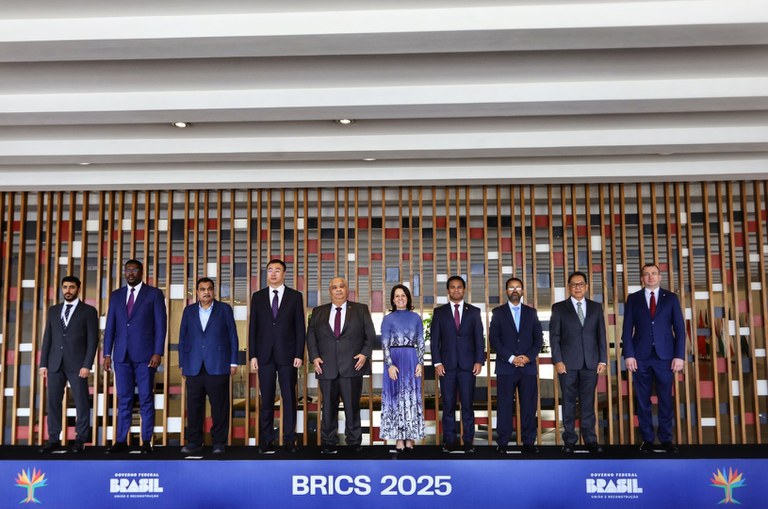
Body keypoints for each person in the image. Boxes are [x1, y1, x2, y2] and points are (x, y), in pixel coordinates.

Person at [103, 259, 167, 454]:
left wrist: (158, 352)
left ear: (141, 272)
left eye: (134, 270)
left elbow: (160, 326)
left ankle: (146, 441)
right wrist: (107, 353)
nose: (130, 273)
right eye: (127, 270)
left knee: (146, 398)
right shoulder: (116, 296)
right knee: (124, 398)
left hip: (146, 356)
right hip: (121, 356)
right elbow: (110, 327)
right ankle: (121, 440)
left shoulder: (154, 294)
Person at [306, 277, 375, 454]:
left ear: (347, 289)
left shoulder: (360, 309)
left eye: (341, 286)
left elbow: (370, 334)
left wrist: (365, 354)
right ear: (329, 291)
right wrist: (314, 357)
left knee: (352, 407)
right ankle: (329, 442)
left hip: (352, 366)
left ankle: (354, 442)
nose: (338, 290)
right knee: (328, 408)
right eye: (334, 287)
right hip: (326, 366)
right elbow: (311, 336)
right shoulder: (318, 311)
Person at [622, 263, 686, 453]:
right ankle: (647, 439)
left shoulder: (671, 298)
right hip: (640, 357)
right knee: (643, 401)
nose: (650, 277)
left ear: (660, 277)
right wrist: (629, 354)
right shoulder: (633, 299)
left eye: (654, 273)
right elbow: (627, 329)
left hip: (665, 357)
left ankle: (666, 439)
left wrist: (679, 356)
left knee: (665, 399)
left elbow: (680, 330)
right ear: (642, 278)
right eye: (646, 274)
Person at [249, 259, 305, 453]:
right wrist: (253, 355)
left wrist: (299, 353)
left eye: (277, 270)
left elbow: (300, 327)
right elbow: (253, 327)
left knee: (289, 398)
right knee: (267, 399)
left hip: (288, 355)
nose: (273, 274)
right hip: (264, 355)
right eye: (270, 270)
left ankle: (290, 439)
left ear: (284, 274)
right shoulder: (258, 297)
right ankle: (266, 439)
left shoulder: (295, 296)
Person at [38, 276, 99, 454]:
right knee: (53, 402)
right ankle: (53, 439)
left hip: (78, 365)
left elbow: (93, 341)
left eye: (71, 287)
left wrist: (87, 364)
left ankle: (80, 440)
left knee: (81, 402)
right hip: (54, 364)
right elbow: (47, 338)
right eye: (65, 287)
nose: (68, 290)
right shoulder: (53, 310)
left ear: (78, 288)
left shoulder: (88, 311)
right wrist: (43, 364)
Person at [179, 277, 239, 455]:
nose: (206, 292)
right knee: (194, 406)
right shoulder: (188, 311)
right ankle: (194, 442)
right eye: (202, 289)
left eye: (209, 289)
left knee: (219, 407)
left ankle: (219, 442)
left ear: (214, 291)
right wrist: (182, 363)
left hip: (219, 364)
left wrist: (233, 361)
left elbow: (233, 336)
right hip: (193, 365)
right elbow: (183, 338)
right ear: (197, 292)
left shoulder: (224, 309)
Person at [549, 271, 607, 453]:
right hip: (567, 364)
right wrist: (558, 360)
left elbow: (601, 335)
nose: (577, 287)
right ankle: (569, 440)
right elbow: (554, 337)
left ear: (586, 286)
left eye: (581, 284)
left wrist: (603, 360)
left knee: (588, 402)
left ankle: (590, 439)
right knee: (568, 402)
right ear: (569, 287)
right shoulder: (559, 308)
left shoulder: (596, 308)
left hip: (591, 363)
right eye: (574, 284)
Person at [430, 275, 484, 452]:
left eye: (459, 287)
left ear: (464, 289)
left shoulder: (474, 312)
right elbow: (435, 340)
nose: (456, 290)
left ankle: (468, 442)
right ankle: (449, 442)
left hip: (468, 367)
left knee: (467, 405)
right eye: (452, 287)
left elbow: (479, 338)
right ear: (448, 290)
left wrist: (479, 360)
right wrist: (437, 362)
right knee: (448, 406)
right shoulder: (439, 312)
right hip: (446, 367)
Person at [490, 277, 543, 454]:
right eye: (511, 287)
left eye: (518, 287)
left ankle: (529, 442)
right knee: (504, 406)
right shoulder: (498, 312)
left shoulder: (531, 312)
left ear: (522, 291)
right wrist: (512, 358)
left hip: (528, 368)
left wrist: (527, 357)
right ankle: (503, 442)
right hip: (506, 367)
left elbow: (538, 339)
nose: (514, 290)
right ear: (506, 291)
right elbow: (494, 339)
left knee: (529, 406)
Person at [380, 284, 425, 453]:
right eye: (397, 296)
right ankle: (399, 437)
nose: (400, 298)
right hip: (394, 360)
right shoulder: (388, 319)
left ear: (408, 298)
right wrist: (389, 364)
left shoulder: (416, 317)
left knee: (411, 397)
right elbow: (384, 343)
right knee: (396, 397)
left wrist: (420, 362)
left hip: (412, 359)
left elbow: (420, 341)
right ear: (393, 299)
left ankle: (410, 436)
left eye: (403, 295)